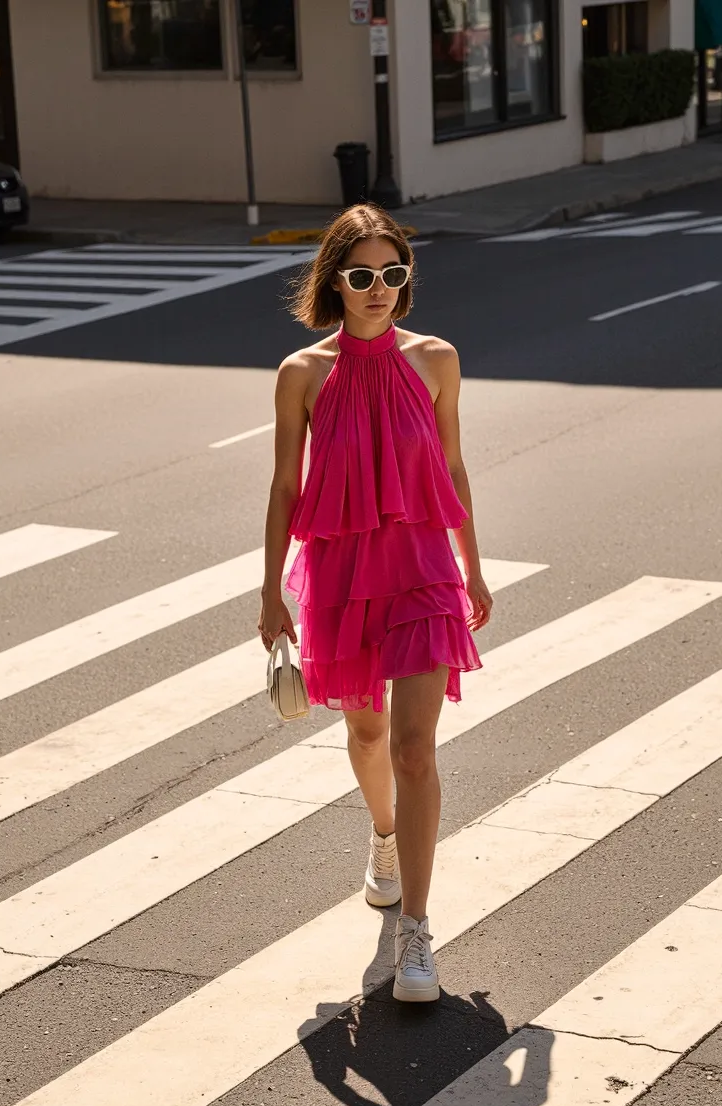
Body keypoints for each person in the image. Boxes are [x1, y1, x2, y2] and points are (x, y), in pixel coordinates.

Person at [258, 204, 492, 1003]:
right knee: (367, 733)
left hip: (424, 568)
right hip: (344, 570)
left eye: (395, 273)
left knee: (416, 747)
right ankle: (384, 837)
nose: (381, 288)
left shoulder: (436, 360)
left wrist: (474, 568)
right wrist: (268, 589)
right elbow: (287, 485)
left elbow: (454, 468)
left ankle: (418, 935)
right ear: (336, 281)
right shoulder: (303, 373)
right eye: (363, 275)